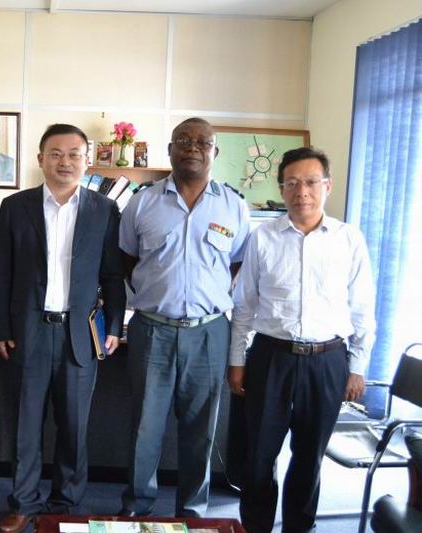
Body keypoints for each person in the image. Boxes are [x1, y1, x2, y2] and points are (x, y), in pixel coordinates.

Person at [227, 147, 376, 532]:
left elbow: (363, 309)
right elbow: (244, 305)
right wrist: (237, 362)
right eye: (291, 183)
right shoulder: (263, 238)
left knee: (309, 457)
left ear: (327, 186)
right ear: (282, 189)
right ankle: (255, 526)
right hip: (271, 357)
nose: (301, 191)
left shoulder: (348, 239)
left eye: (311, 182)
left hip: (327, 360)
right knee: (259, 456)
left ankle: (299, 526)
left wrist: (357, 367)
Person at [0, 124, 126, 533]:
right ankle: (24, 503)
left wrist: (114, 325)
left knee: (74, 427)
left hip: (79, 335)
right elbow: (1, 271)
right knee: (25, 425)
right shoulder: (15, 207)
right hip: (28, 331)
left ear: (87, 160)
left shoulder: (105, 210)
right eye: (55, 153)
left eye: (73, 154)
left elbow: (112, 274)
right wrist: (0, 326)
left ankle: (65, 504)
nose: (64, 162)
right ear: (40, 159)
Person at [118, 117, 250, 517]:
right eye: (183, 140)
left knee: (201, 430)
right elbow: (127, 259)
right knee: (144, 427)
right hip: (152, 330)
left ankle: (192, 512)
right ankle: (137, 506)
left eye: (202, 142)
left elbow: (238, 265)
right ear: (170, 150)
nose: (193, 147)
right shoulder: (143, 202)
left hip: (209, 332)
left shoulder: (234, 206)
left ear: (215, 152)